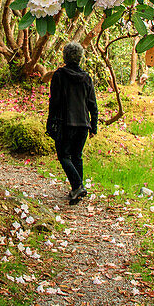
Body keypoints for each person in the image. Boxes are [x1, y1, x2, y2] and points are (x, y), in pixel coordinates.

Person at [46, 42, 98, 205]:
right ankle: (77, 190)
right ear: (80, 58)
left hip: (66, 123)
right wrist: (94, 125)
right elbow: (92, 103)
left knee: (63, 156)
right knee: (77, 156)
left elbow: (54, 101)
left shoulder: (59, 75)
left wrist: (50, 122)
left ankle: (78, 186)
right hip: (83, 124)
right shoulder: (86, 78)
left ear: (65, 56)